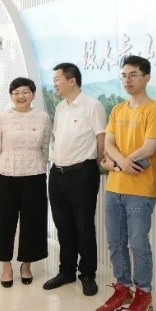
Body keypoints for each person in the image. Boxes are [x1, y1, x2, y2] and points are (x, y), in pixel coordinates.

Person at [97, 55, 156, 311]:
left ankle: (144, 294)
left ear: (146, 77)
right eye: (124, 75)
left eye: (133, 75)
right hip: (114, 187)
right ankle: (122, 289)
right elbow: (108, 143)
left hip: (140, 190)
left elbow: (149, 147)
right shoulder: (117, 109)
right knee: (115, 242)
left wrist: (119, 163)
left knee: (138, 244)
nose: (128, 80)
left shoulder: (154, 110)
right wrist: (121, 163)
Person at [43, 62, 107, 296]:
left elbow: (101, 139)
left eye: (57, 79)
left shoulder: (93, 106)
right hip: (57, 174)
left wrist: (95, 167)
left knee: (83, 226)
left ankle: (87, 274)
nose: (54, 84)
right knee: (63, 225)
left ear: (72, 80)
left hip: (82, 173)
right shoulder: (61, 107)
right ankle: (66, 270)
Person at [0, 77, 51, 287]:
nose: (21, 96)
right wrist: (0, 166)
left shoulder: (43, 117)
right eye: (16, 92)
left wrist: (38, 164)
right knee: (2, 222)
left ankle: (26, 265)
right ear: (11, 96)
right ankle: (6, 267)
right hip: (5, 175)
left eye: (25, 92)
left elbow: (45, 147)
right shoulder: (2, 118)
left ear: (33, 95)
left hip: (34, 174)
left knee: (33, 223)